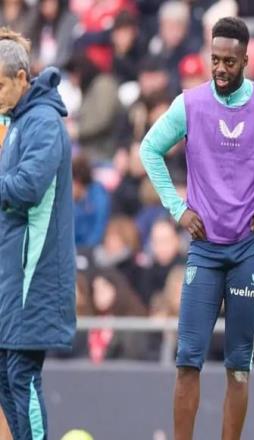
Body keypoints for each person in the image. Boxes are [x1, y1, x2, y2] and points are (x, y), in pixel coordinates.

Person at [140, 16, 254, 440]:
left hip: (247, 250)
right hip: (204, 249)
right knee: (187, 359)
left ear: (246, 61)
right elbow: (149, 148)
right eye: (215, 59)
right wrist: (178, 208)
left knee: (239, 365)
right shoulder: (190, 104)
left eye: (229, 61)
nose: (220, 68)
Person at [0, 28, 76, 439]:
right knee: (5, 374)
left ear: (21, 78)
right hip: (15, 272)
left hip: (36, 273)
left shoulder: (43, 122)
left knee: (21, 374)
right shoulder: (18, 122)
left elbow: (28, 187)